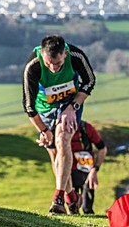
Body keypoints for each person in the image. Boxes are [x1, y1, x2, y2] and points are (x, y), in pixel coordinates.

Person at [22, 35, 96, 214]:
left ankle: (58, 199)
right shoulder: (33, 66)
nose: (54, 69)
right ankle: (71, 197)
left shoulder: (76, 56)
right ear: (43, 56)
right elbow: (28, 106)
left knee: (63, 140)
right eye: (49, 64)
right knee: (56, 155)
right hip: (44, 109)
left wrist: (73, 107)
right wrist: (43, 130)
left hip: (70, 103)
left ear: (65, 53)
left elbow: (90, 81)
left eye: (58, 64)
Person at [69, 120, 107, 214]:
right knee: (72, 206)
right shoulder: (61, 127)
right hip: (69, 171)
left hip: (87, 171)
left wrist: (95, 169)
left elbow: (102, 148)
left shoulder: (86, 128)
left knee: (87, 208)